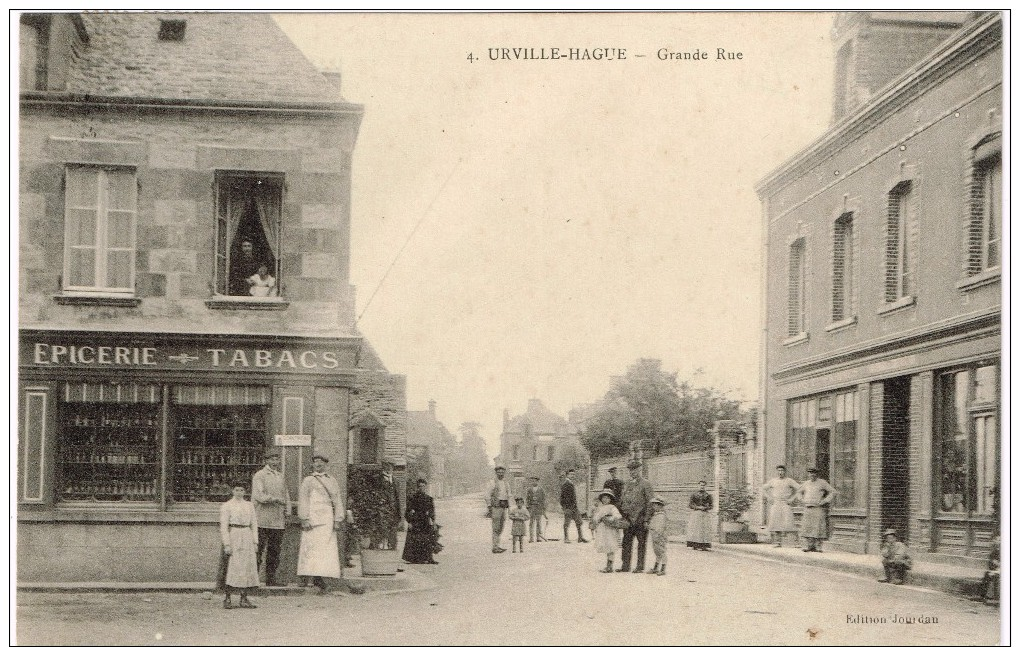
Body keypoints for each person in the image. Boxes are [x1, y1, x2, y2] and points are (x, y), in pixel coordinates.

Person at [297, 454, 342, 594]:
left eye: (321, 462)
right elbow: (303, 499)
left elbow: (337, 499)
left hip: (327, 518)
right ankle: (310, 579)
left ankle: (321, 578)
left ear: (326, 465)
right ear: (312, 465)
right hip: (312, 519)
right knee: (311, 549)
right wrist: (304, 518)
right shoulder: (308, 480)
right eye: (316, 462)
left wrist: (337, 519)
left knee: (325, 550)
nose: (318, 465)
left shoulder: (332, 480)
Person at [251, 451, 290, 586]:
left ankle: (271, 579)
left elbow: (286, 496)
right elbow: (259, 496)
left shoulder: (280, 476)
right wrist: (275, 499)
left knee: (274, 551)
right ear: (266, 461)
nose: (275, 462)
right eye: (272, 459)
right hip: (261, 519)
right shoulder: (260, 475)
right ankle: (252, 579)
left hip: (277, 520)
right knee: (258, 550)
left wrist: (287, 509)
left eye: (277, 459)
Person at [219, 482, 259, 609]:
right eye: (237, 490)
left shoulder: (249, 505)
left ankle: (243, 598)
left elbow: (254, 524)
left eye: (242, 490)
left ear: (245, 492)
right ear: (232, 491)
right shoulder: (227, 506)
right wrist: (227, 544)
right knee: (232, 567)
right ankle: (228, 598)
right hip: (234, 535)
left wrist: (255, 542)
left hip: (246, 535)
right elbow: (224, 526)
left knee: (246, 566)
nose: (239, 492)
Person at [618, 460, 654, 571]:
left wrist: (646, 519)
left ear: (639, 470)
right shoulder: (626, 484)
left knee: (641, 543)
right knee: (626, 542)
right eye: (630, 470)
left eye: (634, 469)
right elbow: (622, 500)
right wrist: (623, 515)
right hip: (628, 518)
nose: (632, 472)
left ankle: (639, 566)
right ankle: (625, 566)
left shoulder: (646, 484)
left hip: (640, 518)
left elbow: (650, 503)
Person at [793, 467, 837, 552]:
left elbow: (833, 492)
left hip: (818, 508)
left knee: (818, 527)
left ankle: (818, 546)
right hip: (808, 508)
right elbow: (798, 492)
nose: (812, 475)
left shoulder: (822, 483)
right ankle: (809, 546)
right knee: (808, 527)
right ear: (808, 474)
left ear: (817, 474)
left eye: (814, 473)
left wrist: (824, 501)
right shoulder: (806, 483)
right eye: (810, 473)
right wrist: (802, 500)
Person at [402, 478, 438, 565]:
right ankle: (415, 558)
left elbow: (432, 511)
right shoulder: (412, 498)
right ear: (417, 487)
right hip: (416, 521)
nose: (421, 488)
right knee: (416, 539)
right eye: (419, 486)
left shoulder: (429, 499)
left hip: (425, 521)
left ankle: (428, 558)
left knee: (427, 539)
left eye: (423, 486)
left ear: (426, 487)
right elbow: (407, 511)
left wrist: (433, 521)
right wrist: (409, 522)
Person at [762, 465, 799, 548]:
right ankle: (778, 542)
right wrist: (769, 498)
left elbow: (800, 489)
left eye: (782, 471)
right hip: (776, 502)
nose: (780, 472)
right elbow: (763, 488)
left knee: (788, 521)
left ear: (785, 472)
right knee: (776, 521)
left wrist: (792, 499)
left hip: (785, 502)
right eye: (779, 471)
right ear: (777, 472)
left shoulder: (789, 481)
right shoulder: (773, 481)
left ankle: (792, 541)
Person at [591, 489, 623, 573]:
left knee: (610, 546)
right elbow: (596, 518)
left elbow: (617, 516)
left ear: (610, 499)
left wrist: (610, 519)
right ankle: (608, 566)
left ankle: (609, 566)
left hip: (609, 529)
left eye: (607, 498)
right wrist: (595, 519)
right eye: (604, 498)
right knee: (606, 546)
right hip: (602, 529)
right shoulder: (600, 508)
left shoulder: (612, 507)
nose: (605, 499)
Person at [379, 460, 403, 550]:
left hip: (394, 509)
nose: (389, 469)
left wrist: (400, 511)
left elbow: (398, 498)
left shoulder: (396, 481)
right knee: (382, 526)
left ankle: (392, 545)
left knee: (393, 527)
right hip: (383, 508)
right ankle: (382, 543)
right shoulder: (379, 479)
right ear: (384, 468)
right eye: (387, 467)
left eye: (391, 467)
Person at [486, 465, 511, 553]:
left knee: (501, 527)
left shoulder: (506, 483)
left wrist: (510, 508)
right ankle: (495, 547)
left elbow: (509, 495)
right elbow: (487, 495)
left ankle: (497, 545)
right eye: (499, 472)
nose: (501, 474)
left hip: (504, 507)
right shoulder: (492, 482)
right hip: (496, 507)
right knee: (496, 527)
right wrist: (489, 507)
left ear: (504, 473)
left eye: (502, 472)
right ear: (496, 473)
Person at [560, 469, 588, 543]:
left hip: (574, 507)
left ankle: (580, 537)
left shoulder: (571, 483)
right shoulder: (565, 484)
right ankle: (566, 538)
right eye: (571, 474)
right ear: (567, 475)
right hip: (568, 507)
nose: (573, 476)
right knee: (567, 523)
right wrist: (565, 508)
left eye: (574, 474)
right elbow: (562, 498)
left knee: (579, 522)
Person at [686, 480, 713, 551]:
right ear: (698, 486)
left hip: (704, 513)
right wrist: (698, 507)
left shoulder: (708, 495)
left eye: (703, 485)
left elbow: (711, 506)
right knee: (696, 529)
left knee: (704, 529)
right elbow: (690, 505)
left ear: (705, 487)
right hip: (696, 513)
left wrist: (705, 508)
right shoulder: (694, 495)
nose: (702, 487)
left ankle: (704, 545)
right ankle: (695, 544)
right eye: (701, 485)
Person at [647, 497, 668, 576]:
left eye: (656, 505)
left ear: (660, 506)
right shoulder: (656, 515)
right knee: (657, 552)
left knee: (662, 552)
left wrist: (658, 535)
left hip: (659, 536)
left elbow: (660, 527)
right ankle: (656, 567)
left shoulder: (662, 516)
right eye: (653, 505)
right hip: (654, 535)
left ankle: (663, 569)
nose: (654, 507)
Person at [525, 476, 547, 542]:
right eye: (532, 481)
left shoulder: (541, 490)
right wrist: (528, 507)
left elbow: (543, 499)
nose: (533, 482)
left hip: (539, 508)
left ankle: (538, 537)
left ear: (538, 481)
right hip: (532, 507)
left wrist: (543, 509)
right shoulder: (529, 490)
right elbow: (527, 499)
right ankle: (531, 538)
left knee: (538, 523)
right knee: (531, 523)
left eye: (535, 481)